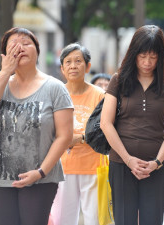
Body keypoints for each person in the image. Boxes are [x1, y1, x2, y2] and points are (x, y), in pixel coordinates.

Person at [0, 27, 74, 225]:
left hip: (41, 179)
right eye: (14, 45)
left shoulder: (55, 88)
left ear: (37, 51)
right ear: (5, 55)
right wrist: (5, 71)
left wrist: (40, 172)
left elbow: (64, 136)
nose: (20, 48)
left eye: (27, 43)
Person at [100, 25, 164, 225]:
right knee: (124, 220)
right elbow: (106, 123)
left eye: (153, 57)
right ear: (133, 54)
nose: (147, 62)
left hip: (155, 166)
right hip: (121, 164)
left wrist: (157, 162)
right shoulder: (118, 81)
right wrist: (128, 160)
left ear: (160, 57)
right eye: (142, 56)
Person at [50, 43, 105, 225]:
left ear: (87, 66)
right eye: (68, 62)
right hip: (62, 168)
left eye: (78, 61)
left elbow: (104, 128)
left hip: (94, 167)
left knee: (95, 220)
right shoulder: (55, 93)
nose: (73, 66)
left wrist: (80, 138)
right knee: (62, 220)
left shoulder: (100, 95)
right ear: (62, 68)